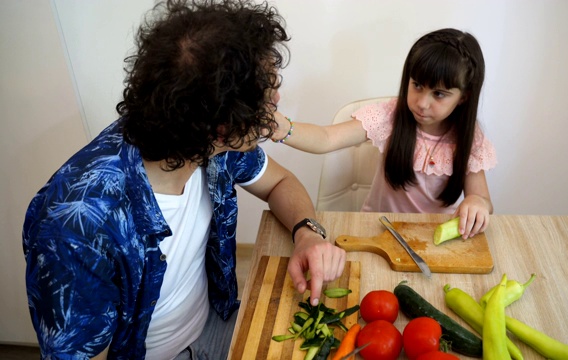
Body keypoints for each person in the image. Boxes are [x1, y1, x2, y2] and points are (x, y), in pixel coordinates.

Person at [22, 0, 346, 359]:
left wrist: (306, 233)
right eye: (268, 103)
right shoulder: (77, 226)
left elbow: (280, 183)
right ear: (222, 129)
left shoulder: (206, 144)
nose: (277, 102)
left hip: (217, 321)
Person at [270, 28, 496, 240]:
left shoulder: (469, 137)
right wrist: (283, 128)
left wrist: (477, 203)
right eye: (417, 85)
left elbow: (483, 199)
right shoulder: (389, 116)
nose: (422, 103)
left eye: (438, 94)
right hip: (377, 229)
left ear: (463, 97)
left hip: (433, 236)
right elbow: (327, 138)